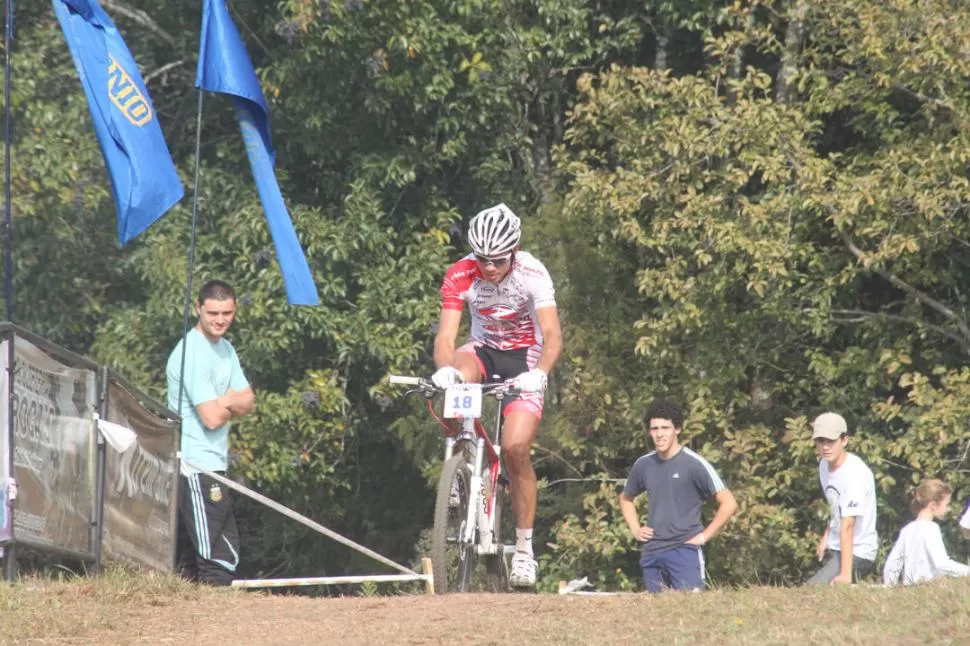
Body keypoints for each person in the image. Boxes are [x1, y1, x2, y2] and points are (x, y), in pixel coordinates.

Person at [431, 203, 563, 588]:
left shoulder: (533, 273)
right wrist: (445, 369)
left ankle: (524, 550)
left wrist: (540, 375)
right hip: (484, 350)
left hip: (526, 359)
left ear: (514, 251)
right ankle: (458, 454)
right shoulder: (460, 273)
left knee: (516, 448)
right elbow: (446, 336)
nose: (489, 268)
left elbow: (553, 335)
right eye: (483, 259)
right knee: (456, 376)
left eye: (498, 260)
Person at [166, 280, 255, 585]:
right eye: (213, 313)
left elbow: (249, 401)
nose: (220, 320)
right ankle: (217, 623)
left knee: (190, 561)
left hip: (215, 464)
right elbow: (213, 417)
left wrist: (228, 401)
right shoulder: (192, 352)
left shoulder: (226, 349)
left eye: (227, 313)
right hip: (194, 465)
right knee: (218, 555)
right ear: (198, 309)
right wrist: (230, 399)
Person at [618, 399, 738, 593]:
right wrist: (635, 529)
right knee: (657, 615)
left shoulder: (694, 464)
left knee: (691, 611)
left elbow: (729, 503)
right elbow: (625, 499)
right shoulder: (643, 464)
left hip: (684, 550)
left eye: (665, 428)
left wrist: (705, 536)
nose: (659, 434)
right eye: (654, 428)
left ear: (678, 429)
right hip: (652, 552)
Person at [806, 412, 878, 586]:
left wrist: (845, 575)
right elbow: (835, 507)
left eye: (831, 441)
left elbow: (848, 525)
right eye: (820, 441)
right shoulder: (824, 465)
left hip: (858, 551)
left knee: (811, 590)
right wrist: (827, 536)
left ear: (844, 440)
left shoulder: (855, 474)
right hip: (836, 546)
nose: (825, 447)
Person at [882, 479, 970, 585]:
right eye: (946, 504)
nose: (948, 508)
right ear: (933, 505)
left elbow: (892, 564)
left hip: (909, 588)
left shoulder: (907, 529)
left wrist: (890, 586)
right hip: (928, 586)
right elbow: (941, 563)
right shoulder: (931, 528)